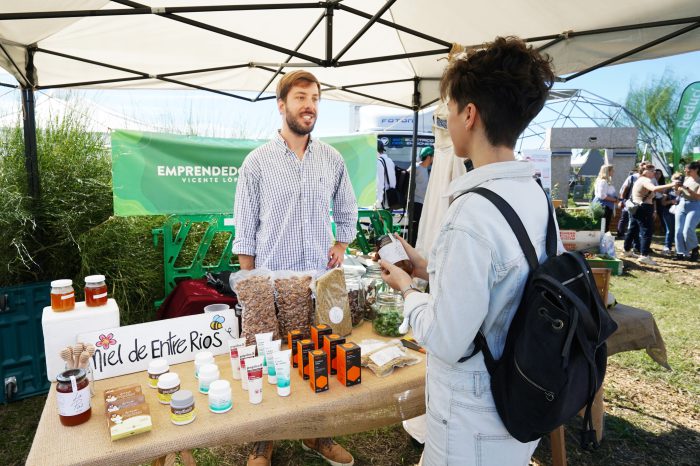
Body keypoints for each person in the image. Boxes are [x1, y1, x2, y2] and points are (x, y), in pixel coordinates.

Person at [379, 36, 555, 465]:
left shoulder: (471, 213)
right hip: (516, 399)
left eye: (449, 111)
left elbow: (447, 339)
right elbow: (499, 288)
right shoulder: (534, 194)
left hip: (471, 420)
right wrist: (427, 268)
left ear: (470, 114)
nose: (448, 121)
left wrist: (406, 288)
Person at [232, 70, 357, 466]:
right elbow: (246, 227)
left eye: (316, 98)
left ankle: (315, 433)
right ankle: (263, 440)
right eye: (301, 97)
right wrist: (250, 283)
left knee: (317, 354)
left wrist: (340, 243)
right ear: (281, 104)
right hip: (272, 282)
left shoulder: (331, 159)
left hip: (316, 284)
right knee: (272, 359)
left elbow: (348, 207)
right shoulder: (257, 162)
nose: (310, 106)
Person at [622, 164, 680, 266]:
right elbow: (654, 189)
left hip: (637, 207)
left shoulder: (640, 179)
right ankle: (644, 256)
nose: (654, 172)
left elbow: (657, 190)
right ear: (644, 171)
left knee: (633, 228)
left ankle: (627, 250)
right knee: (646, 231)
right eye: (652, 170)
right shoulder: (645, 180)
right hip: (643, 208)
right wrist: (672, 184)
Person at [673, 161, 700, 262]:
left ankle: (694, 249)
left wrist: (686, 188)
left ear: (696, 170)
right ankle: (680, 253)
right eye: (685, 169)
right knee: (678, 230)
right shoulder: (685, 179)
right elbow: (678, 193)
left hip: (695, 206)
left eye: (688, 169)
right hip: (682, 204)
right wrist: (677, 188)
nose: (685, 171)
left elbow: (698, 196)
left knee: (687, 230)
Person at [409, 145, 434, 245]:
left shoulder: (425, 169)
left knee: (419, 227)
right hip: (415, 202)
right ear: (428, 157)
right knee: (415, 227)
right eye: (433, 156)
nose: (433, 159)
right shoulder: (417, 167)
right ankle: (413, 246)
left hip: (421, 202)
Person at [592, 164, 618, 232]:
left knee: (604, 226)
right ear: (607, 171)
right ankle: (602, 241)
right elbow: (602, 196)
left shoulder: (604, 181)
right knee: (603, 227)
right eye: (612, 170)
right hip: (603, 207)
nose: (613, 172)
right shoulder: (603, 181)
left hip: (605, 206)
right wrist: (615, 200)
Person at [376, 140, 397, 208]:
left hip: (382, 203)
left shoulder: (378, 162)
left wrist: (378, 203)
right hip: (391, 200)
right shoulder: (389, 160)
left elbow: (379, 184)